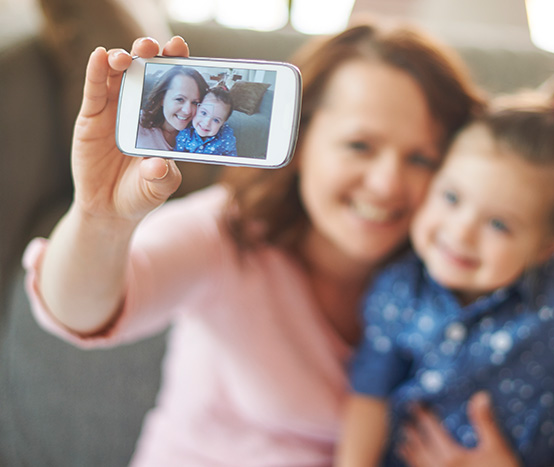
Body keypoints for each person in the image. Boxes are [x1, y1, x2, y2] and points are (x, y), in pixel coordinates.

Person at [22, 23, 486, 465]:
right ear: (300, 140)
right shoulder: (222, 232)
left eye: (422, 158)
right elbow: (76, 311)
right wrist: (99, 218)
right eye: (360, 146)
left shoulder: (465, 270)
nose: (387, 185)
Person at [336, 70, 554, 467]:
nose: (461, 232)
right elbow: (370, 391)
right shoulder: (402, 285)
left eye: (499, 224)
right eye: (451, 197)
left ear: (549, 247)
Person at [136, 65, 208, 150]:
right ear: (162, 98)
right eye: (180, 99)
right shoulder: (137, 124)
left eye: (195, 103)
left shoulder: (203, 133)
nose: (187, 111)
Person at [175, 84, 238, 156]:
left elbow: (231, 160)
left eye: (216, 120)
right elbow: (177, 157)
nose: (207, 123)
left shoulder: (226, 137)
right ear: (197, 108)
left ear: (223, 123)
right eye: (204, 113)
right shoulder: (185, 133)